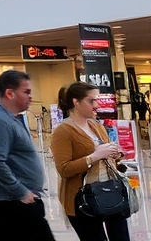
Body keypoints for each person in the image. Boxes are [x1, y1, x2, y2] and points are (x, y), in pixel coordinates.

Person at [0, 70, 54, 240]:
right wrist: (22, 192)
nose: (30, 96)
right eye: (26, 92)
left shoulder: (8, 117)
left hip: (15, 202)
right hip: (11, 203)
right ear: (10, 93)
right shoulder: (0, 121)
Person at [50, 82, 129, 241]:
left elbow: (106, 155)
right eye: (91, 100)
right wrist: (94, 156)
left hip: (109, 191)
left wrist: (115, 153)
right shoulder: (63, 131)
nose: (97, 105)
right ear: (76, 102)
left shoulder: (96, 125)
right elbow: (64, 169)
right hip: (83, 200)